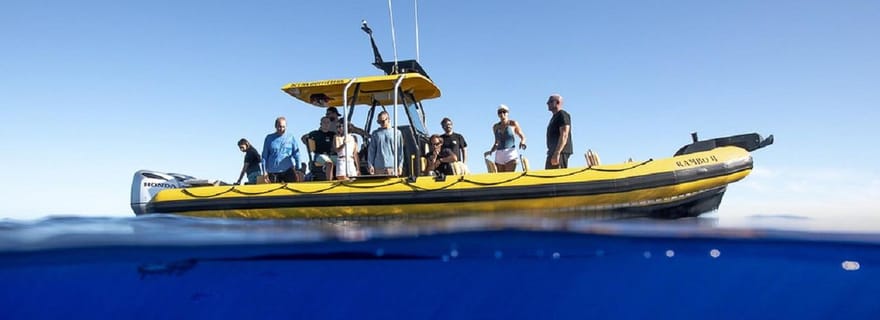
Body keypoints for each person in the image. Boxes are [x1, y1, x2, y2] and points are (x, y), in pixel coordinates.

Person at [484, 104, 527, 172]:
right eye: (500, 112)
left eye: (504, 111)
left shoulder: (513, 123)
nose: (502, 114)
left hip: (510, 153)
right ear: (498, 114)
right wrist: (491, 151)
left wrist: (522, 142)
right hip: (499, 154)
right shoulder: (495, 127)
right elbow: (496, 142)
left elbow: (522, 136)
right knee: (501, 178)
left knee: (509, 177)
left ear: (508, 113)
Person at [262, 116, 301, 183]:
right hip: (273, 171)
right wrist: (264, 172)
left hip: (288, 170)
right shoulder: (269, 138)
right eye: (279, 126)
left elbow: (297, 154)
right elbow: (264, 156)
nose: (281, 129)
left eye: (283, 127)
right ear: (275, 126)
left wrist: (299, 169)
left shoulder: (291, 137)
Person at [368, 111, 404, 175]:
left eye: (383, 121)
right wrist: (370, 165)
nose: (381, 123)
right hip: (378, 168)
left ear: (388, 119)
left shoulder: (397, 133)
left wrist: (400, 166)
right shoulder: (375, 134)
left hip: (392, 167)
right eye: (379, 122)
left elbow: (400, 151)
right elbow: (372, 151)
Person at [301, 116, 336, 181]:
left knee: (343, 161)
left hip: (330, 155)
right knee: (329, 163)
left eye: (328, 122)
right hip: (319, 155)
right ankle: (330, 182)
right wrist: (308, 145)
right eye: (324, 122)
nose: (326, 124)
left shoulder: (332, 134)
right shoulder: (315, 133)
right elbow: (303, 138)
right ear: (321, 124)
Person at [545, 94, 573, 169]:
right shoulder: (554, 117)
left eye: (550, 101)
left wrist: (557, 152)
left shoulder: (562, 114)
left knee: (557, 177)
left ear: (557, 102)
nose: (547, 103)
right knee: (548, 178)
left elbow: (564, 134)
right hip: (552, 152)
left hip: (560, 152)